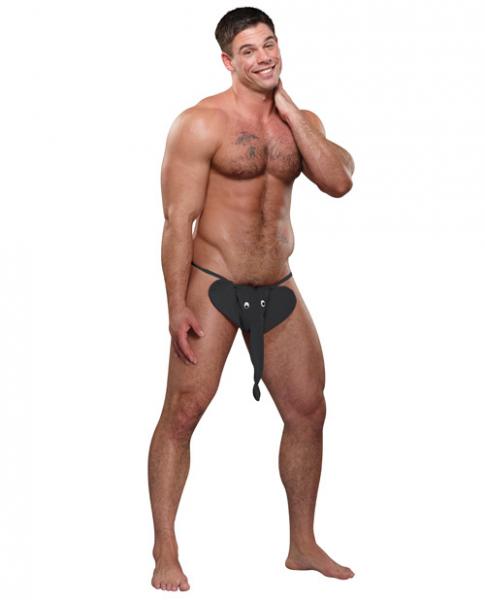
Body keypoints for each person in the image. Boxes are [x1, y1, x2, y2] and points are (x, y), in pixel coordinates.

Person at [148, 7, 355, 591]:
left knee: (309, 410)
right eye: (248, 50)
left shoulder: (301, 122)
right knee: (182, 414)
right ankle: (165, 546)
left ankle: (302, 544)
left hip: (278, 282)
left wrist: (287, 106)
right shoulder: (200, 124)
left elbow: (339, 181)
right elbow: (178, 222)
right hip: (213, 283)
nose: (263, 56)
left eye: (269, 44)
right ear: (227, 61)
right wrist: (175, 306)